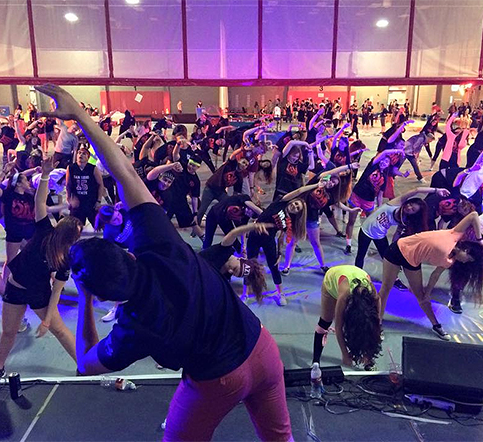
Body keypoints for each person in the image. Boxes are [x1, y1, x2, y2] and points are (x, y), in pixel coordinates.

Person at [36, 84, 293, 442]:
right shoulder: (158, 240)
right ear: (126, 253)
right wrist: (80, 115)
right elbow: (124, 171)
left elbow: (85, 362)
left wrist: (84, 298)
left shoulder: (132, 328)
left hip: (217, 379)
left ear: (105, 295)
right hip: (262, 348)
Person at [0, 157, 82, 377]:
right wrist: (44, 175)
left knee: (59, 330)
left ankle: (84, 367)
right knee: (9, 332)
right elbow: (39, 202)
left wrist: (47, 320)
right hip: (16, 288)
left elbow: (56, 292)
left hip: (38, 293)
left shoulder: (65, 259)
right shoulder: (44, 230)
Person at [377, 212, 483, 340]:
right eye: (468, 259)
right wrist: (480, 240)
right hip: (397, 250)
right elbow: (473, 215)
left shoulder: (449, 261)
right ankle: (377, 325)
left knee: (421, 296)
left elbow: (435, 275)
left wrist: (428, 292)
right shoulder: (454, 234)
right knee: (385, 289)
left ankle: (436, 325)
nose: (465, 262)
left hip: (412, 261)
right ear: (467, 251)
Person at [312, 265, 382, 373]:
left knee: (368, 326)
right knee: (325, 321)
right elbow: (338, 327)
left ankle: (369, 361)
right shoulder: (344, 297)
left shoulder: (373, 295)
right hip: (333, 278)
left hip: (355, 274)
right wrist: (345, 354)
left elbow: (376, 324)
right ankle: (315, 361)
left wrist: (369, 353)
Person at [354, 187, 445, 270]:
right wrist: (436, 190)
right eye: (410, 204)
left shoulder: (405, 220)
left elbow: (397, 234)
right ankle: (357, 276)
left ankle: (394, 278)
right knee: (361, 255)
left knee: (387, 258)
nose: (409, 207)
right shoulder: (397, 203)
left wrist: (394, 248)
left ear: (414, 214)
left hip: (380, 235)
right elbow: (416, 190)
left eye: (413, 210)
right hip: (366, 230)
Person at [199, 223, 271, 303]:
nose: (230, 271)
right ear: (239, 258)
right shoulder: (224, 250)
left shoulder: (225, 277)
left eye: (233, 274)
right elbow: (234, 233)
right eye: (234, 268)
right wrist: (252, 227)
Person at [66, 147, 105, 227]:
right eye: (79, 153)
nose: (81, 155)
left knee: (99, 225)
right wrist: (68, 199)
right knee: (74, 227)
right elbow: (68, 185)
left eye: (84, 153)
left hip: (91, 201)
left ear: (88, 157)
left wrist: (98, 201)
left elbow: (100, 184)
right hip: (77, 201)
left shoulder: (93, 168)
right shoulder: (71, 168)